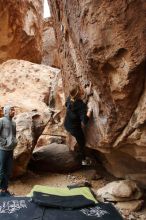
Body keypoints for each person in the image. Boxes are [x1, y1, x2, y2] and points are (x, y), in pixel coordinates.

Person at [64, 84, 93, 165]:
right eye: (81, 89)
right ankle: (83, 160)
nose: (82, 89)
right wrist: (89, 110)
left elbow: (66, 104)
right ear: (79, 93)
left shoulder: (70, 98)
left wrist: (87, 95)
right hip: (75, 128)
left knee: (78, 139)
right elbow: (85, 121)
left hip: (67, 124)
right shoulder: (81, 106)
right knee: (81, 142)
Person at [0, 105, 17, 196]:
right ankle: (2, 190)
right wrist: (4, 142)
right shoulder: (2, 121)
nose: (13, 111)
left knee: (8, 170)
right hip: (2, 150)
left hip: (10, 150)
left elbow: (13, 135)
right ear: (6, 111)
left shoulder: (13, 123)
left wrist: (14, 142)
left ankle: (5, 189)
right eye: (11, 110)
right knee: (1, 169)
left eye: (14, 110)